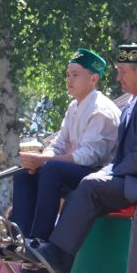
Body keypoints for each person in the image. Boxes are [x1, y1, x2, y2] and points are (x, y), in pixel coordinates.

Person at [20, 43, 137, 273]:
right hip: (134, 179)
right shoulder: (136, 102)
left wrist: (107, 173)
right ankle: (42, 253)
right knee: (75, 183)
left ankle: (57, 257)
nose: (118, 77)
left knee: (90, 185)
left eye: (123, 71)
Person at [10, 49, 121, 242]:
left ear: (94, 78)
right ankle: (20, 239)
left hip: (102, 176)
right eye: (68, 75)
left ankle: (40, 240)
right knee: (24, 174)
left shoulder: (101, 110)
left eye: (76, 75)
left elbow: (88, 157)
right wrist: (39, 160)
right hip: (80, 171)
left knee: (51, 170)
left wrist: (45, 160)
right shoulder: (73, 107)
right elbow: (59, 143)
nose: (69, 80)